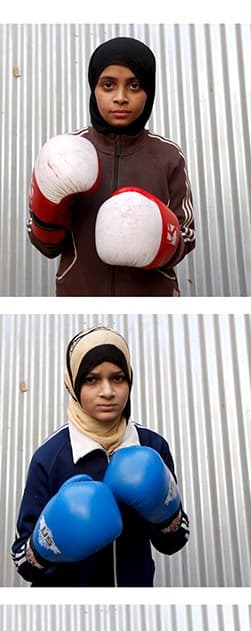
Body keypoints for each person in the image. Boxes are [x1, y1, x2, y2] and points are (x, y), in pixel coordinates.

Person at [11, 325, 189, 586]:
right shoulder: (50, 457)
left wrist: (166, 513)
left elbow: (175, 541)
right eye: (91, 379)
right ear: (73, 383)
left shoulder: (151, 446)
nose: (107, 392)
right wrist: (44, 546)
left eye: (117, 378)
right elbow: (22, 561)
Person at [26, 36, 196, 296]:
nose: (121, 98)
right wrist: (46, 214)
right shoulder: (66, 152)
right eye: (108, 85)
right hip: (79, 294)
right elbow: (46, 246)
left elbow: (187, 235)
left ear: (149, 91)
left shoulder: (167, 155)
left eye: (135, 85)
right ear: (93, 89)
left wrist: (159, 236)